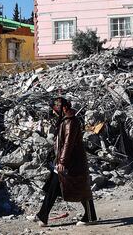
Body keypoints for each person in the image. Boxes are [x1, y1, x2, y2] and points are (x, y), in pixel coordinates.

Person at [29, 97, 97, 226]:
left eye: (56, 109)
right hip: (66, 161)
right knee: (54, 186)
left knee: (82, 189)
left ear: (63, 109)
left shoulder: (70, 122)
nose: (54, 112)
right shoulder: (65, 121)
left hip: (73, 163)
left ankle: (90, 216)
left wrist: (62, 162)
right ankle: (42, 215)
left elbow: (68, 143)